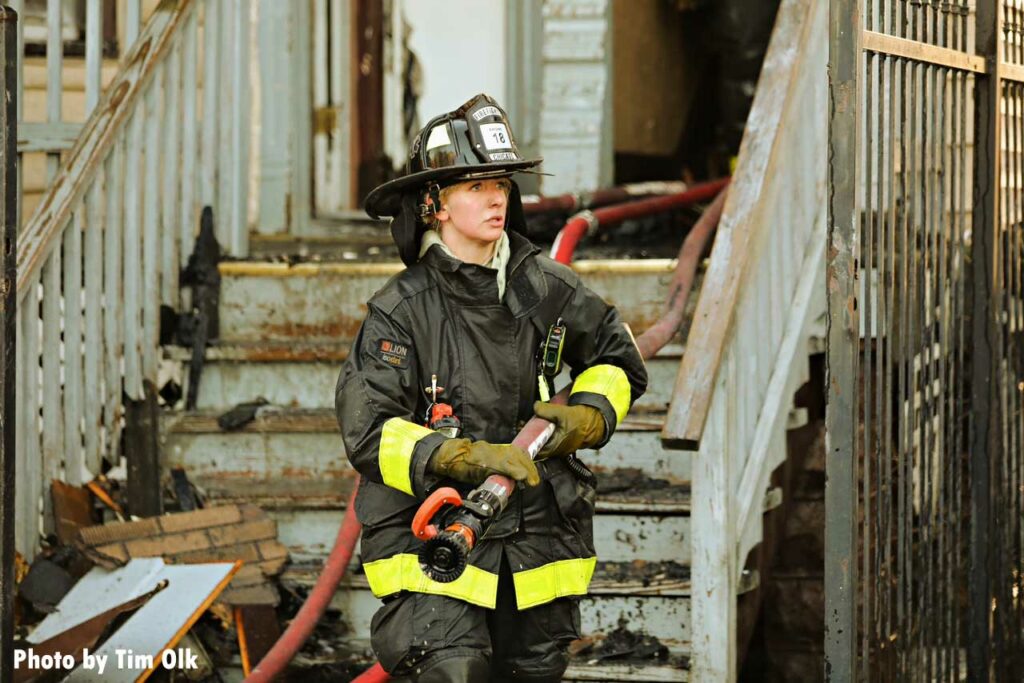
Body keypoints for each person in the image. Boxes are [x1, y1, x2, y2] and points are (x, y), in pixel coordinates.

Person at [335, 93, 647, 682]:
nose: (496, 197)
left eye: (500, 182)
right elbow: (368, 430)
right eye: (475, 185)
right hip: (432, 541)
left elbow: (617, 360)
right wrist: (461, 457)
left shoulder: (550, 289)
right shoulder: (400, 313)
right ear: (434, 204)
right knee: (457, 672)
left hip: (536, 544)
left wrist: (586, 418)